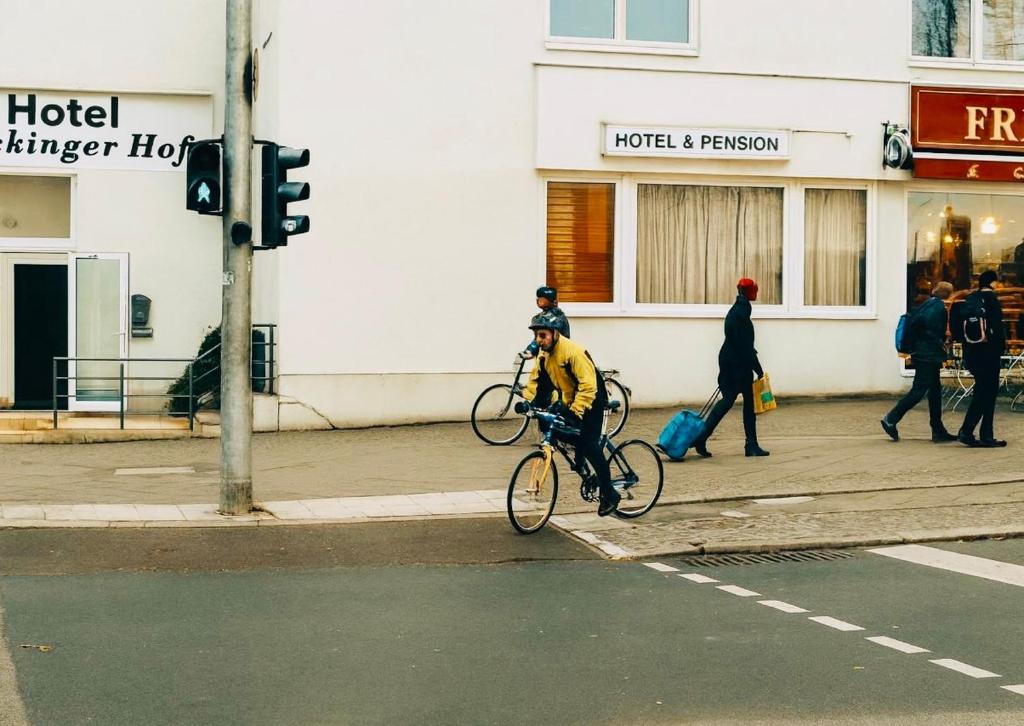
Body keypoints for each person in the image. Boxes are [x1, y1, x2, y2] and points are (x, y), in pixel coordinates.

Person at [521, 310, 620, 516]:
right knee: (552, 425)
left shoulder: (573, 353)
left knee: (590, 445)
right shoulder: (545, 356)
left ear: (555, 334)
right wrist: (532, 406)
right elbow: (541, 385)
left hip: (592, 400)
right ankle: (581, 461)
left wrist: (576, 411)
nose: (538, 340)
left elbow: (588, 387)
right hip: (572, 399)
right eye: (536, 335)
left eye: (542, 335)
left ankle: (610, 494)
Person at [690, 278, 769, 458]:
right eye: (754, 290)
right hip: (737, 365)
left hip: (731, 363)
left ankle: (702, 438)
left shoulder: (738, 311)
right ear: (748, 292)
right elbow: (745, 347)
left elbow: (742, 345)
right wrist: (758, 370)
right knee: (745, 405)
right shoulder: (740, 314)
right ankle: (751, 445)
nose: (756, 292)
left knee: (728, 401)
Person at [880, 282, 956, 443]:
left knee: (935, 391)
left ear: (934, 290)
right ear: (948, 294)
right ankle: (891, 418)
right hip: (928, 355)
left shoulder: (925, 304)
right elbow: (933, 331)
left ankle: (938, 429)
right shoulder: (939, 308)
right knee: (919, 391)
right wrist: (942, 341)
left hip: (922, 353)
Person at [957, 270, 1008, 447]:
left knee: (981, 391)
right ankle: (980, 433)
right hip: (989, 353)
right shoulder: (992, 299)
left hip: (972, 352)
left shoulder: (971, 298)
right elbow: (997, 327)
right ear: (993, 283)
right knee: (988, 393)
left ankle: (971, 431)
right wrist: (1002, 350)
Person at [522, 286, 570, 359]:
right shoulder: (539, 317)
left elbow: (545, 335)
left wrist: (531, 349)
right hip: (545, 355)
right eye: (538, 298)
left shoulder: (556, 317)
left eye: (542, 298)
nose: (538, 300)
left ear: (553, 301)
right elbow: (539, 337)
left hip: (558, 355)